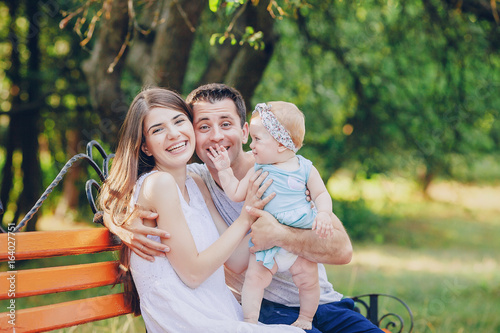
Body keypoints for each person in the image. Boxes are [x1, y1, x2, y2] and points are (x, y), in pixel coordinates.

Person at [104, 83, 383, 333]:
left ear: (245, 131)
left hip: (322, 300)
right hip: (263, 309)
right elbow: (129, 183)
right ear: (195, 133)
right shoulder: (195, 180)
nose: (215, 137)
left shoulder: (279, 169)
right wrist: (116, 219)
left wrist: (279, 235)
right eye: (203, 126)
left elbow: (343, 250)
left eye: (226, 124)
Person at [99, 87, 303, 332]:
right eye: (158, 130)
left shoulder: (194, 182)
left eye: (178, 121)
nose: (173, 134)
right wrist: (244, 217)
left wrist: (274, 214)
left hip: (218, 312)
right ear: (145, 147)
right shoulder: (158, 184)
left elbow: (237, 261)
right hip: (188, 322)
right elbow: (193, 274)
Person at [207, 101, 334, 330]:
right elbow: (236, 192)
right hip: (267, 244)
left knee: (309, 282)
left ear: (281, 144)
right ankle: (250, 321)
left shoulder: (305, 168)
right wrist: (224, 170)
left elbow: (321, 193)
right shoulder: (258, 169)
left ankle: (305, 318)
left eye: (257, 139)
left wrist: (324, 213)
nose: (251, 145)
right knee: (254, 281)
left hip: (299, 241)